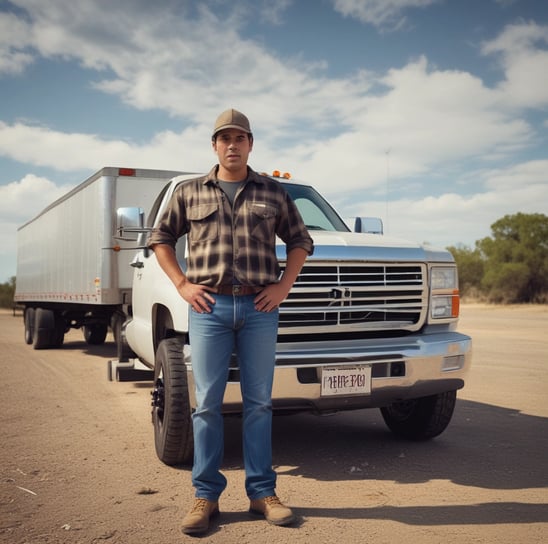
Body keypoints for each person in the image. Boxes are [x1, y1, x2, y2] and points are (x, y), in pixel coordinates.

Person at [147, 108, 314, 535]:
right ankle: (205, 496)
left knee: (259, 403)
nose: (233, 145)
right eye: (225, 138)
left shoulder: (273, 193)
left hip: (260, 310)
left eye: (240, 138)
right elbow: (160, 238)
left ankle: (262, 493)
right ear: (215, 145)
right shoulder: (188, 192)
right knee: (207, 406)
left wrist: (283, 286)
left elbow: (300, 241)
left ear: (251, 144)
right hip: (210, 310)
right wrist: (183, 284)